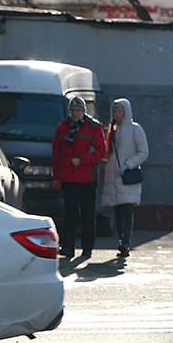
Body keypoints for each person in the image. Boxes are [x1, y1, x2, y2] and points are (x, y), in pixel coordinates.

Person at [51, 96, 106, 261]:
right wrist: (56, 175)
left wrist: (82, 160)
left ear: (84, 111)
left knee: (88, 214)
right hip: (68, 178)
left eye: (78, 110)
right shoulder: (63, 127)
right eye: (72, 110)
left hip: (87, 178)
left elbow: (100, 152)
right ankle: (68, 247)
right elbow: (56, 152)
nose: (75, 113)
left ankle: (87, 248)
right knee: (70, 214)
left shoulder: (94, 128)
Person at [101, 98, 149, 260]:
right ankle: (122, 240)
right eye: (115, 111)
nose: (117, 114)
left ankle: (125, 242)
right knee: (117, 211)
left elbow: (143, 152)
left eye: (120, 111)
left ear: (126, 112)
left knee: (127, 210)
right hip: (113, 176)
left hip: (127, 176)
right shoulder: (112, 129)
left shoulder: (136, 129)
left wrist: (128, 165)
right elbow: (108, 153)